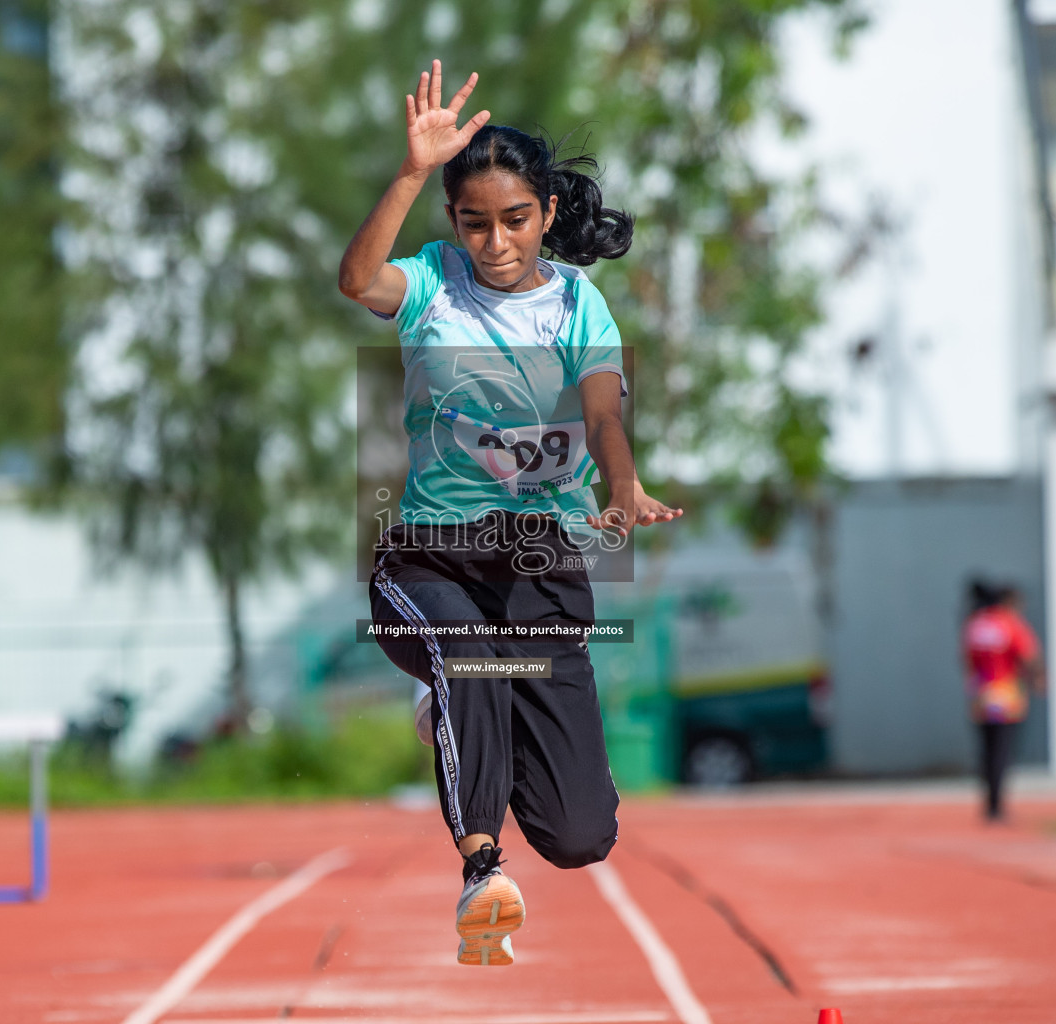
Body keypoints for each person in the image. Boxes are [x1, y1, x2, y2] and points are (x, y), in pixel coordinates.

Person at [338, 60, 683, 966]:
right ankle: (479, 865)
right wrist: (413, 172)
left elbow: (603, 410)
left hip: (539, 560)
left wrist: (623, 485)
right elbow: (355, 279)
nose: (495, 243)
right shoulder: (428, 284)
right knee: (474, 660)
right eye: (475, 222)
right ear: (454, 222)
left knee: (579, 837)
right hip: (429, 558)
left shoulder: (577, 303)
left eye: (516, 220)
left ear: (548, 215)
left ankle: (455, 709)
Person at [962, 579, 1045, 822]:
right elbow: (1029, 655)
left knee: (987, 750)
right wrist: (1038, 679)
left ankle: (989, 802)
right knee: (1003, 750)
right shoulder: (1010, 623)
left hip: (980, 692)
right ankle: (997, 805)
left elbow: (967, 660)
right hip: (1005, 693)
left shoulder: (975, 624)